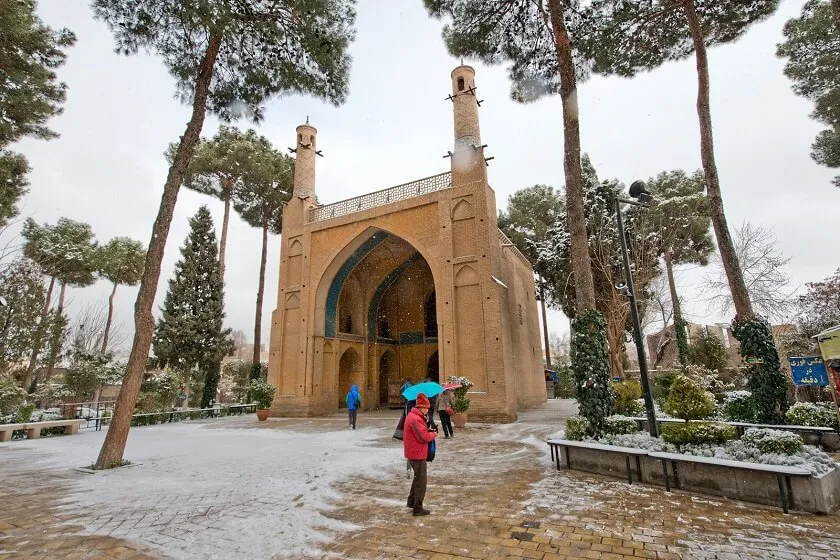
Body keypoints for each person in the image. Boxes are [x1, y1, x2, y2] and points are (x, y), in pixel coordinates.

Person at [403, 393, 437, 516]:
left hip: (414, 451)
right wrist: (433, 434)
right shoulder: (416, 418)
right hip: (417, 453)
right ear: (421, 407)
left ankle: (411, 501)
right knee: (421, 481)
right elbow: (423, 437)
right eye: (426, 407)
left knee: (418, 478)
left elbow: (420, 433)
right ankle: (418, 508)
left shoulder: (414, 416)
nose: (428, 410)